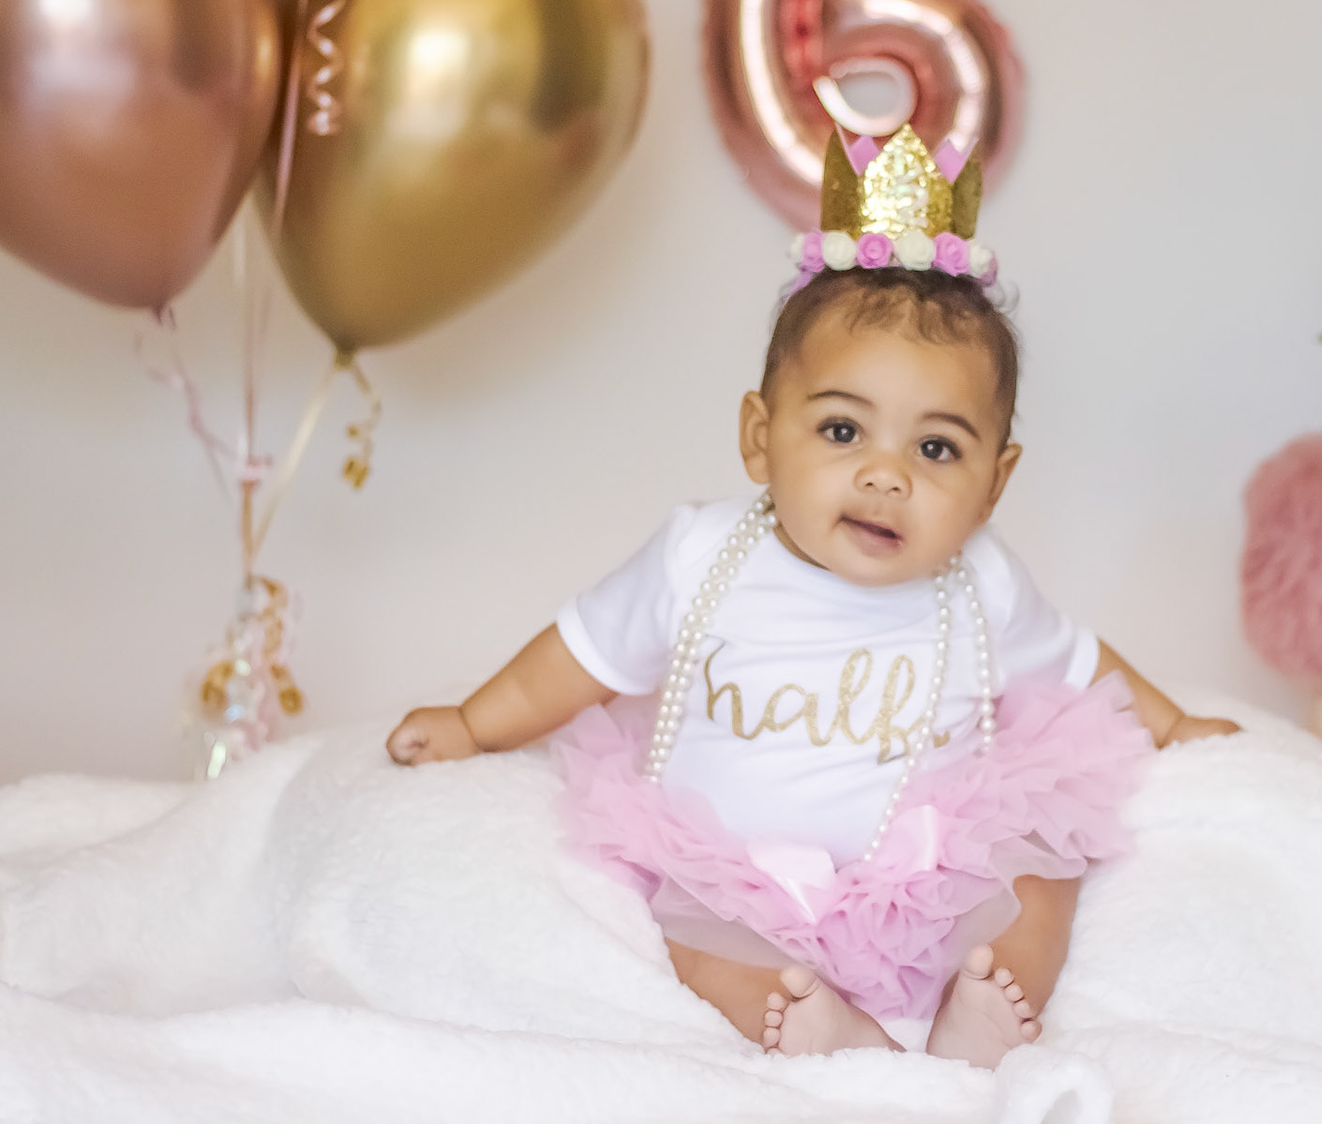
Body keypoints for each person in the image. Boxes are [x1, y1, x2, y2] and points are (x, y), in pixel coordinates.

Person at [387, 126, 1238, 1068]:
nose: (886, 476)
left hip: (927, 864)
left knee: (1043, 864)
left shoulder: (982, 583)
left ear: (994, 484)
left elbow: (1081, 666)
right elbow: (579, 655)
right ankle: (830, 1034)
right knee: (692, 940)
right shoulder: (700, 555)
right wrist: (473, 723)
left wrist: (1173, 723)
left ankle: (990, 1006)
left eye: (937, 448)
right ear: (760, 438)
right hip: (736, 875)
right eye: (842, 430)